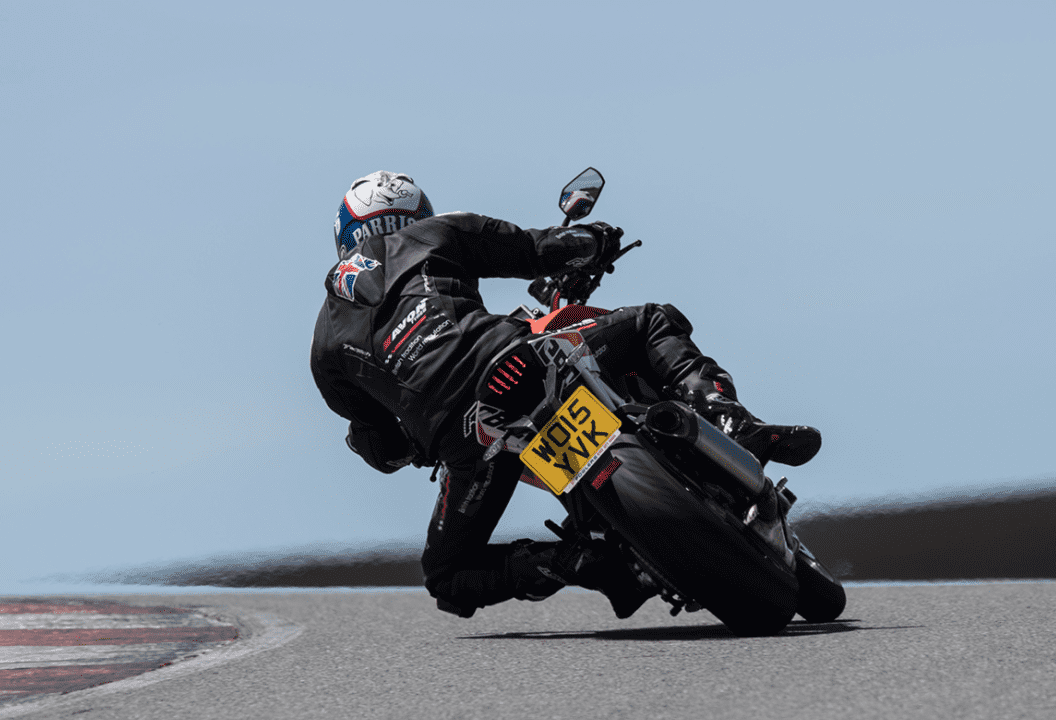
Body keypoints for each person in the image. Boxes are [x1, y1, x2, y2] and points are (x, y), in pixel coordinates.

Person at [310, 170, 821, 620]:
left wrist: (415, 444)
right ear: (415, 214)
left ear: (344, 236)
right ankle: (729, 420)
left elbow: (380, 447)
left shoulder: (325, 344)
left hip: (466, 436)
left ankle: (572, 561)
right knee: (650, 321)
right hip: (510, 359)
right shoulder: (433, 232)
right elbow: (536, 249)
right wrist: (594, 240)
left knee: (447, 576)